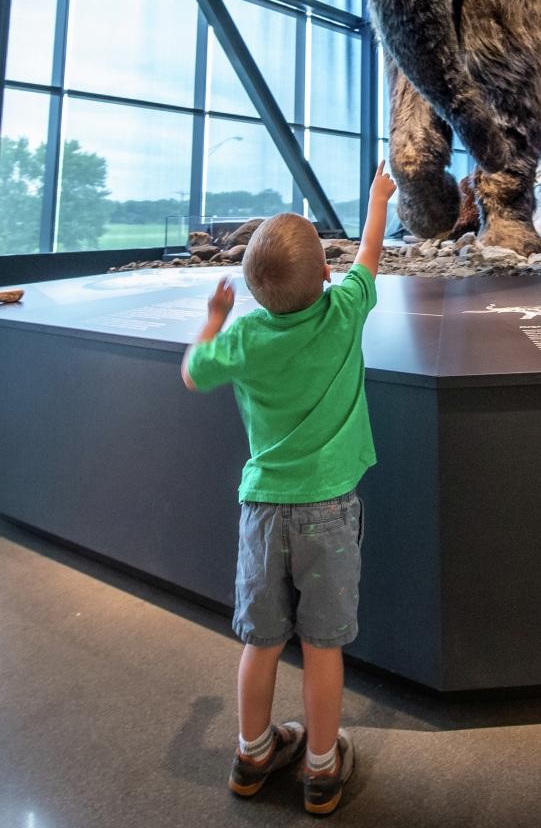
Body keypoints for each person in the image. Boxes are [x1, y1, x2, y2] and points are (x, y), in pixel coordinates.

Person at [181, 162, 396, 815]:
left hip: (264, 510)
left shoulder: (245, 335)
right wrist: (378, 197)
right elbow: (369, 254)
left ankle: (251, 753)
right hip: (329, 509)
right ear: (326, 275)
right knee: (323, 645)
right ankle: (323, 770)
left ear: (250, 289)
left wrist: (216, 319)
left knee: (262, 640)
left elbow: (193, 371)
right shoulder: (344, 311)